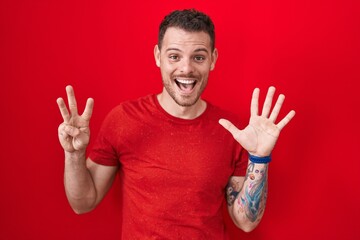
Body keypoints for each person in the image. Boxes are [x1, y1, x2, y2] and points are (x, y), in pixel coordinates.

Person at [56, 9, 295, 239]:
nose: (186, 68)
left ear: (212, 59)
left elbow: (245, 222)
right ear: (158, 56)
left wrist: (259, 159)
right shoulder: (123, 119)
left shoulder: (233, 130)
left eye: (198, 57)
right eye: (174, 56)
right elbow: (83, 203)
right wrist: (74, 155)